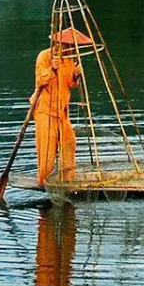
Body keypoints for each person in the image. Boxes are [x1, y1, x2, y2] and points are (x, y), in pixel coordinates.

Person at [34, 28, 90, 185]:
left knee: (69, 141)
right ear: (60, 44)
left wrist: (77, 74)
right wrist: (52, 68)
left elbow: (70, 83)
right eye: (70, 46)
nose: (72, 49)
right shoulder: (44, 57)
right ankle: (43, 181)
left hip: (61, 112)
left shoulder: (70, 59)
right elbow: (41, 81)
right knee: (46, 154)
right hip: (45, 111)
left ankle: (68, 181)